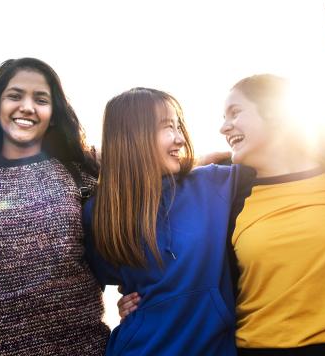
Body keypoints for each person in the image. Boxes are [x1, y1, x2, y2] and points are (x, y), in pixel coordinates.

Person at [0, 57, 109, 355]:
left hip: (84, 347)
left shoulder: (78, 169)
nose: (27, 107)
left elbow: (144, 174)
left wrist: (137, 289)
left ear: (53, 112)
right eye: (15, 95)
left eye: (41, 99)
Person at [221, 74, 325, 355]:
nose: (224, 127)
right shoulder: (227, 194)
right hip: (262, 349)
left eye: (235, 112)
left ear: (275, 112)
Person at [83, 87, 252, 355]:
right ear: (133, 136)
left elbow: (273, 155)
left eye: (178, 126)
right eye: (167, 127)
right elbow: (101, 281)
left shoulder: (213, 184)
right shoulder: (101, 211)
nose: (180, 138)